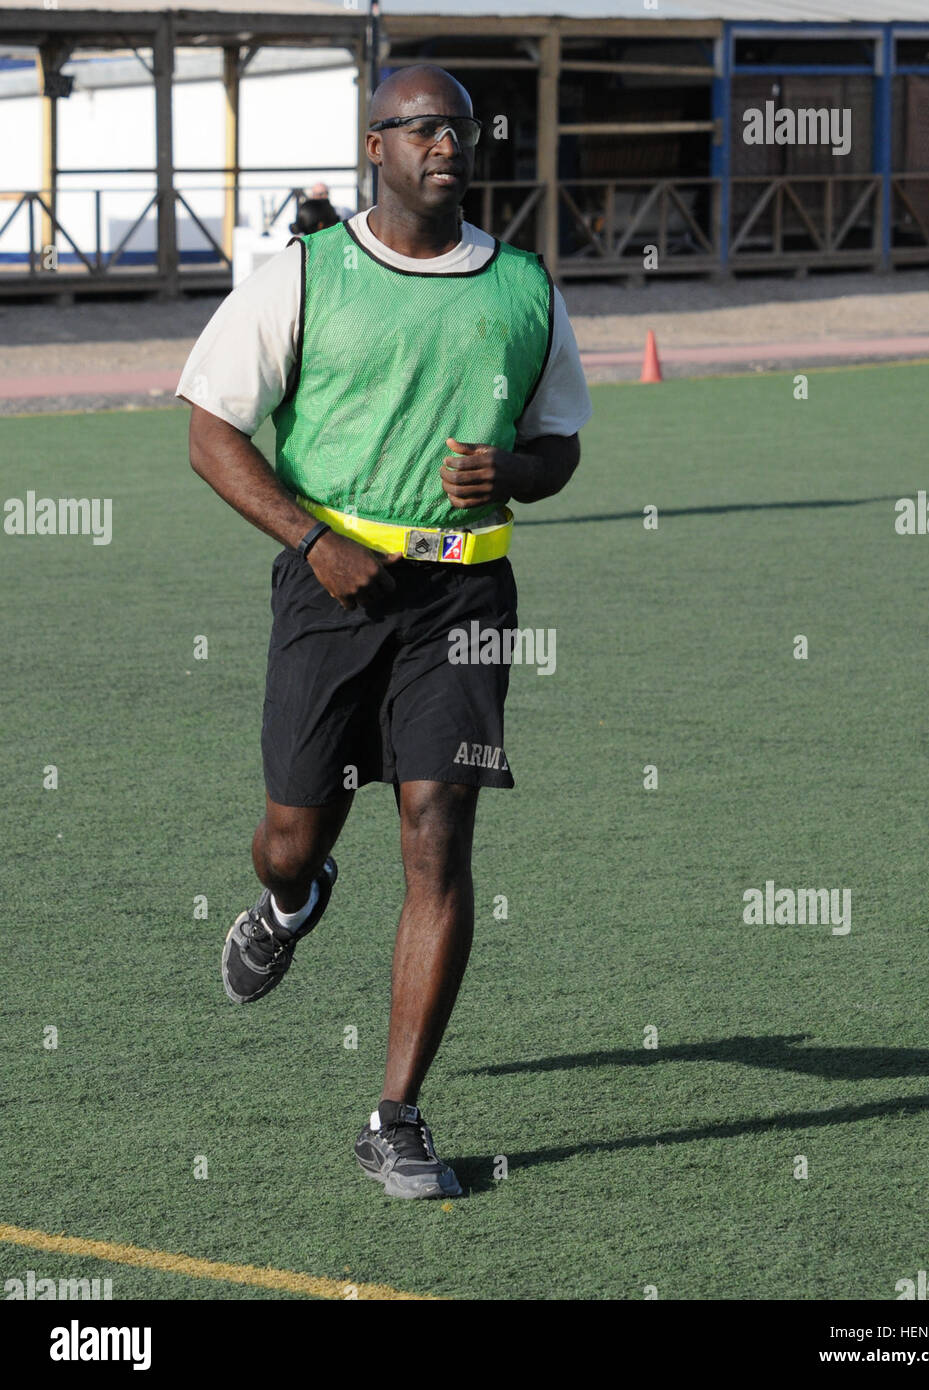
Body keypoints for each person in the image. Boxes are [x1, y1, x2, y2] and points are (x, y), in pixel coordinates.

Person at [175, 64, 592, 1200]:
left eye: (455, 127)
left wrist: (513, 469)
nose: (443, 143)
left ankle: (394, 1115)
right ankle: (290, 900)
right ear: (375, 147)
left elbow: (559, 447)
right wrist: (314, 544)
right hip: (332, 590)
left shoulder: (522, 286)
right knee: (292, 832)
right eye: (419, 128)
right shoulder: (303, 277)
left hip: (465, 599)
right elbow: (212, 430)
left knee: (437, 834)